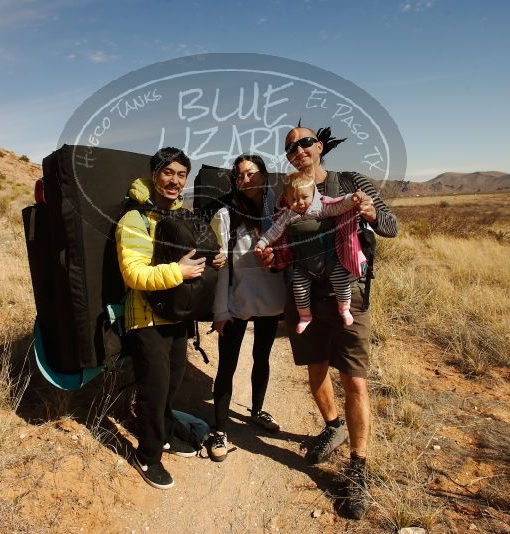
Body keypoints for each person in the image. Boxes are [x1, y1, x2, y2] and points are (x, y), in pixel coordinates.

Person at [259, 126, 398, 519]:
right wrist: (272, 259)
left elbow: (392, 226)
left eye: (304, 142)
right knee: (315, 370)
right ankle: (332, 425)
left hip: (347, 295)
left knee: (354, 378)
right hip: (303, 296)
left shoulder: (349, 182)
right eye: (289, 147)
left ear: (319, 147)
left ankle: (358, 467)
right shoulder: (283, 196)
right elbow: (281, 247)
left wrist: (370, 212)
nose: (297, 149)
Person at [115, 147, 225, 490]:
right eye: (168, 173)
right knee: (155, 386)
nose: (175, 180)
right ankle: (148, 455)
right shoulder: (135, 219)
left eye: (181, 174)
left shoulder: (184, 216)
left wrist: (214, 259)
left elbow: (199, 256)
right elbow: (132, 274)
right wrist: (177, 271)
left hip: (177, 316)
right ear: (154, 174)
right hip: (146, 319)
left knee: (172, 381)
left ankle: (161, 429)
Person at [207, 155, 286, 463]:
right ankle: (220, 429)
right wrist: (220, 311)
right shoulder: (226, 215)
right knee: (227, 365)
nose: (246, 180)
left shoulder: (280, 211)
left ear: (264, 176)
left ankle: (256, 411)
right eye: (240, 176)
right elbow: (223, 269)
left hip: (271, 301)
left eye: (251, 174)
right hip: (237, 303)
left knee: (261, 358)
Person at [254, 171, 366, 333]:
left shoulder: (321, 208)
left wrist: (352, 199)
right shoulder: (288, 216)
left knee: (341, 282)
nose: (299, 202)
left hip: (330, 260)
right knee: (299, 288)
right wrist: (262, 243)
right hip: (304, 265)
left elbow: (338, 205)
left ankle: (344, 308)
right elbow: (274, 231)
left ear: (313, 194)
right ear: (286, 198)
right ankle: (305, 316)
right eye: (294, 199)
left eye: (304, 197)